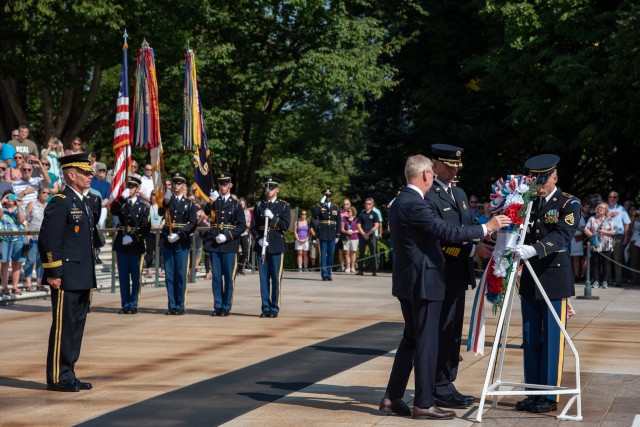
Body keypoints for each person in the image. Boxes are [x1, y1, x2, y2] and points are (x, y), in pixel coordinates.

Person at [380, 154, 510, 420]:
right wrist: (486, 227)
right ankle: (424, 402)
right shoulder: (415, 203)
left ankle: (392, 397)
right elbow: (446, 232)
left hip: (410, 282)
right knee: (426, 342)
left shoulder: (400, 201)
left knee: (411, 339)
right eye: (431, 173)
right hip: (425, 283)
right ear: (426, 175)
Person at [425, 144, 493, 409]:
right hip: (442, 270)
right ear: (435, 165)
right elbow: (441, 237)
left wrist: (482, 242)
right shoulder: (429, 195)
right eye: (449, 166)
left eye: (456, 166)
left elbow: (465, 227)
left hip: (459, 271)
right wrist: (474, 247)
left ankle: (447, 381)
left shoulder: (460, 193)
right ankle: (438, 385)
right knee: (442, 330)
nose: (454, 170)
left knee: (453, 331)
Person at [514, 154, 581, 413]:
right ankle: (533, 392)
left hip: (553, 278)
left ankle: (550, 397)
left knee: (553, 340)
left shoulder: (568, 203)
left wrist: (535, 249)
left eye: (543, 179)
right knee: (531, 339)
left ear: (555, 177)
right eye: (535, 179)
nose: (539, 184)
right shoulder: (527, 202)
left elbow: (563, 235)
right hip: (530, 277)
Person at [39, 152, 97, 392]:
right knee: (64, 326)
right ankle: (57, 376)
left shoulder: (83, 201)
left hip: (82, 274)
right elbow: (48, 240)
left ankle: (69, 372)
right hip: (66, 276)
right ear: (71, 175)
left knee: (76, 326)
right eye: (85, 172)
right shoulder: (61, 200)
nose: (90, 176)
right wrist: (53, 272)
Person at [202, 173, 245, 316]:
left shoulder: (236, 205)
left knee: (228, 277)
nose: (223, 186)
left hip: (229, 244)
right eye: (221, 183)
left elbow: (241, 226)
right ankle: (218, 306)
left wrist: (226, 236)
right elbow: (205, 213)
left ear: (230, 185)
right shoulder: (214, 202)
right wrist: (210, 201)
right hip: (215, 244)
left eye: (225, 183)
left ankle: (226, 307)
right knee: (216, 277)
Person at [110, 176, 151, 314]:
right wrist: (122, 197)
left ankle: (133, 304)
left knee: (135, 276)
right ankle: (125, 304)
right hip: (122, 243)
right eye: (128, 187)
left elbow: (146, 227)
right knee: (123, 276)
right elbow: (113, 211)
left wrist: (133, 238)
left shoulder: (144, 206)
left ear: (138, 189)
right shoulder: (122, 203)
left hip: (135, 244)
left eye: (132, 187)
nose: (129, 189)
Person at [250, 177, 291, 318]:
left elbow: (285, 226)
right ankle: (265, 308)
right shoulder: (259, 205)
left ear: (277, 190)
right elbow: (253, 227)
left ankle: (274, 308)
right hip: (263, 246)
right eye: (267, 187)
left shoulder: (284, 206)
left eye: (272, 187)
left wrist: (273, 217)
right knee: (263, 279)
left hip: (276, 245)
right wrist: (258, 239)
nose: (269, 190)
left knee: (275, 278)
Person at [158, 172, 197, 315]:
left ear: (184, 186)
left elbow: (193, 223)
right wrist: (164, 201)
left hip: (181, 243)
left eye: (179, 183)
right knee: (169, 276)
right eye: (174, 183)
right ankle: (171, 305)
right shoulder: (167, 201)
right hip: (168, 242)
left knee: (180, 275)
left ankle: (180, 305)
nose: (176, 185)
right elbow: (160, 213)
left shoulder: (189, 203)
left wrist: (179, 235)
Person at [0, 190, 27, 296]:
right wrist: (2, 201)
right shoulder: (3, 209)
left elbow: (21, 220)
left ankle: (15, 286)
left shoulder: (21, 208)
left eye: (12, 197)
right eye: (8, 197)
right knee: (4, 263)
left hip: (18, 238)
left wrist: (19, 206)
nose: (10, 199)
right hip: (4, 238)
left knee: (17, 263)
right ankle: (5, 287)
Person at [583, 202, 615, 289]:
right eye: (600, 207)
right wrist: (592, 236)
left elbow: (613, 232)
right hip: (595, 243)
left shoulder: (609, 219)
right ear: (597, 208)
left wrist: (603, 232)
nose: (601, 209)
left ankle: (605, 281)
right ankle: (596, 281)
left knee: (606, 263)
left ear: (606, 211)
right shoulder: (592, 218)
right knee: (595, 263)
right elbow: (586, 229)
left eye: (603, 208)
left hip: (606, 244)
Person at [24, 187, 50, 291]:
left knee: (42, 260)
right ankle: (28, 283)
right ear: (39, 193)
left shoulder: (49, 206)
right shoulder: (32, 204)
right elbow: (24, 219)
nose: (45, 194)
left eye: (48, 193)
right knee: (30, 259)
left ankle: (39, 283)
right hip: (32, 236)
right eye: (43, 192)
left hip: (44, 237)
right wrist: (27, 233)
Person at [313, 189, 341, 281]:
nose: (328, 198)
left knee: (331, 255)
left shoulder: (336, 207)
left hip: (332, 233)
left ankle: (329, 273)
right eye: (326, 196)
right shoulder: (320, 206)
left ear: (331, 197)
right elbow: (314, 215)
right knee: (323, 255)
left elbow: (338, 221)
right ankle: (324, 274)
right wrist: (320, 204)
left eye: (329, 196)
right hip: (323, 233)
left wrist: (338, 234)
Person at [606, 191, 631, 286]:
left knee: (617, 259)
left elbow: (627, 224)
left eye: (614, 197)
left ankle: (618, 280)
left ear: (617, 198)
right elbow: (599, 220)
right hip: (606, 236)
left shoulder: (622, 209)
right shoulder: (604, 208)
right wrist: (610, 215)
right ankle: (606, 280)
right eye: (610, 197)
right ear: (608, 198)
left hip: (618, 236)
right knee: (606, 259)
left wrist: (625, 237)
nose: (612, 198)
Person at [356, 198, 379, 276]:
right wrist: (363, 234)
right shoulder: (361, 214)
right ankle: (360, 270)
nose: (367, 205)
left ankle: (374, 270)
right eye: (366, 203)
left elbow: (376, 226)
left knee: (373, 253)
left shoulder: (375, 214)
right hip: (363, 235)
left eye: (369, 204)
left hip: (371, 235)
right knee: (361, 253)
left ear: (372, 204)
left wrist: (368, 234)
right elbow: (358, 225)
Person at [144, 192, 164, 278]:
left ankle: (159, 270)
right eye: (153, 194)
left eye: (156, 194)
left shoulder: (161, 208)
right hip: (150, 232)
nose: (154, 196)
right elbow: (146, 219)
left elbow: (165, 218)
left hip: (159, 232)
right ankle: (149, 270)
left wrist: (161, 226)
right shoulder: (148, 208)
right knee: (149, 251)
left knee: (159, 252)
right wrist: (153, 226)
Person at [341, 206, 359, 273]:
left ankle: (352, 267)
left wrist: (353, 232)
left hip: (354, 237)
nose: (347, 213)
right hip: (346, 237)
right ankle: (348, 267)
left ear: (352, 212)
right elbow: (342, 229)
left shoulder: (357, 219)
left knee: (353, 253)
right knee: (347, 252)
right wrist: (346, 232)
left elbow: (359, 229)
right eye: (347, 211)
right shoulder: (344, 219)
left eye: (348, 211)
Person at [338, 198, 352, 271]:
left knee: (348, 251)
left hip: (348, 234)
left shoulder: (351, 212)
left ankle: (348, 267)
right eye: (344, 204)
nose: (345, 205)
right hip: (340, 234)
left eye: (347, 204)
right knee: (340, 251)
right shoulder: (340, 212)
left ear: (350, 204)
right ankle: (341, 266)